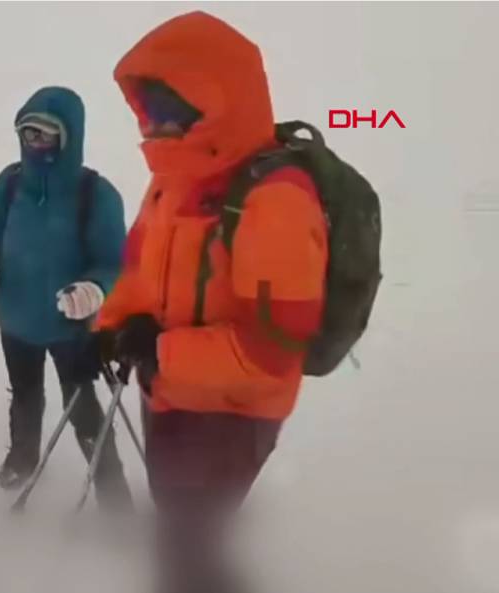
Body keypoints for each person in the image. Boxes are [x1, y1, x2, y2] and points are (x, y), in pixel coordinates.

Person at [95, 11, 330, 593]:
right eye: (148, 110)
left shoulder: (275, 201)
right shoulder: (174, 179)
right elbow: (140, 267)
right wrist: (115, 322)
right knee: (180, 539)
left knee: (189, 552)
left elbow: (270, 354)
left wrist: (162, 352)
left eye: (170, 109)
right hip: (172, 395)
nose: (156, 126)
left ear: (218, 103)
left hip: (232, 418)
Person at [0, 86, 132, 510]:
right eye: (28, 134)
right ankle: (21, 459)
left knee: (84, 410)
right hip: (16, 319)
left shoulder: (96, 194)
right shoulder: (9, 183)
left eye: (45, 134)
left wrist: (94, 288)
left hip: (71, 326)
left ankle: (111, 491)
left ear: (69, 136)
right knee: (24, 395)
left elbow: (114, 261)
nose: (34, 143)